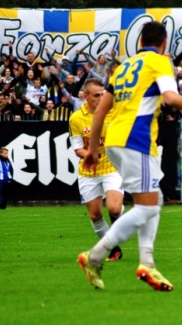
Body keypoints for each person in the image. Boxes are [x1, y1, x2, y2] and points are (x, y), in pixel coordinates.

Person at [78, 22, 182, 291]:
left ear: (140, 40)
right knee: (147, 207)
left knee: (154, 199)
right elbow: (171, 98)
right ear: (164, 43)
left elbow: (100, 112)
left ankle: (147, 262)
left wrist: (94, 149)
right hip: (137, 139)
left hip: (116, 141)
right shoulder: (158, 62)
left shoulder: (123, 68)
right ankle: (95, 256)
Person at [69, 78, 126, 262]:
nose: (101, 98)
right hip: (88, 171)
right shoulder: (76, 118)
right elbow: (77, 148)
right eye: (96, 95)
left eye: (103, 94)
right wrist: (89, 155)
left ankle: (117, 218)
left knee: (114, 208)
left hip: (112, 167)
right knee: (95, 215)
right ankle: (113, 248)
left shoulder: (114, 112)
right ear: (85, 96)